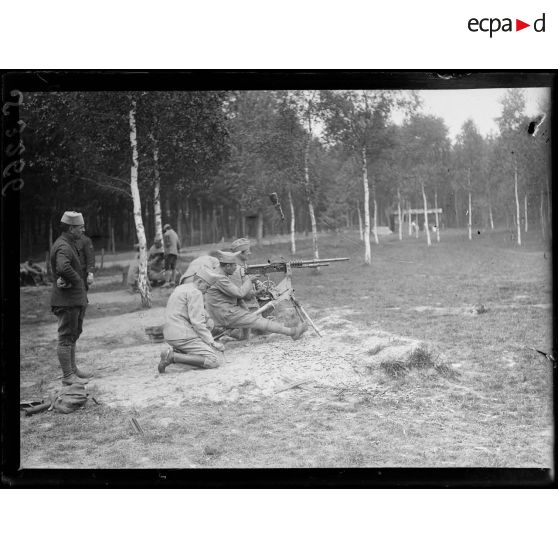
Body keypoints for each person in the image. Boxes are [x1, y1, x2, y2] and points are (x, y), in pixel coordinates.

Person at [204, 251, 307, 341]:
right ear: (227, 266)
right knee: (257, 321)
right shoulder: (220, 278)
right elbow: (240, 293)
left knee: (249, 316)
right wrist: (250, 280)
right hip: (224, 313)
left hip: (223, 310)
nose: (236, 268)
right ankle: (293, 332)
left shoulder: (219, 274)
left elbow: (237, 296)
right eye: (234, 265)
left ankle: (242, 337)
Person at [50, 211, 94, 386]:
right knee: (66, 337)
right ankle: (68, 376)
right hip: (66, 301)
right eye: (80, 227)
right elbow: (62, 267)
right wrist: (77, 281)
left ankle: (73, 370)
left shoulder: (70, 243)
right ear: (71, 228)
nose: (83, 230)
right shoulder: (63, 246)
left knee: (73, 335)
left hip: (73, 300)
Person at [158, 267, 225, 374]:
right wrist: (212, 342)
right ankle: (173, 356)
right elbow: (197, 323)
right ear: (199, 282)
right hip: (182, 335)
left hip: (170, 334)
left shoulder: (181, 288)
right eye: (207, 287)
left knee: (205, 340)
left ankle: (178, 355)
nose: (206, 291)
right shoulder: (195, 292)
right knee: (214, 360)